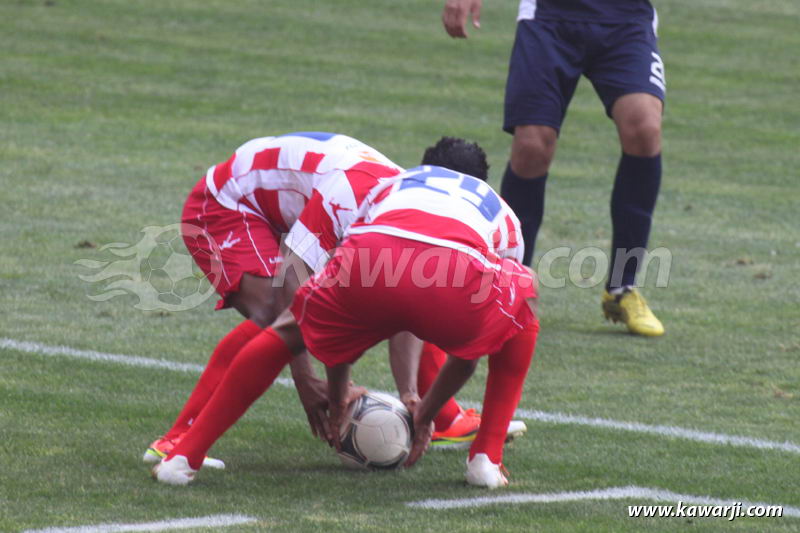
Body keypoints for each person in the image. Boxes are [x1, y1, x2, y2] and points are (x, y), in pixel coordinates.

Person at [143, 133, 522, 468]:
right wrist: (307, 380)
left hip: (282, 210)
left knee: (398, 299)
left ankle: (445, 419)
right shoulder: (357, 191)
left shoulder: (407, 199)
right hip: (225, 205)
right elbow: (297, 280)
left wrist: (409, 394)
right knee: (279, 318)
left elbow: (403, 315)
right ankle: (177, 441)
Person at [442, 0, 666, 336]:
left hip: (626, 17)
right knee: (532, 145)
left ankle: (623, 287)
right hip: (550, 17)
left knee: (645, 129)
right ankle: (509, 288)